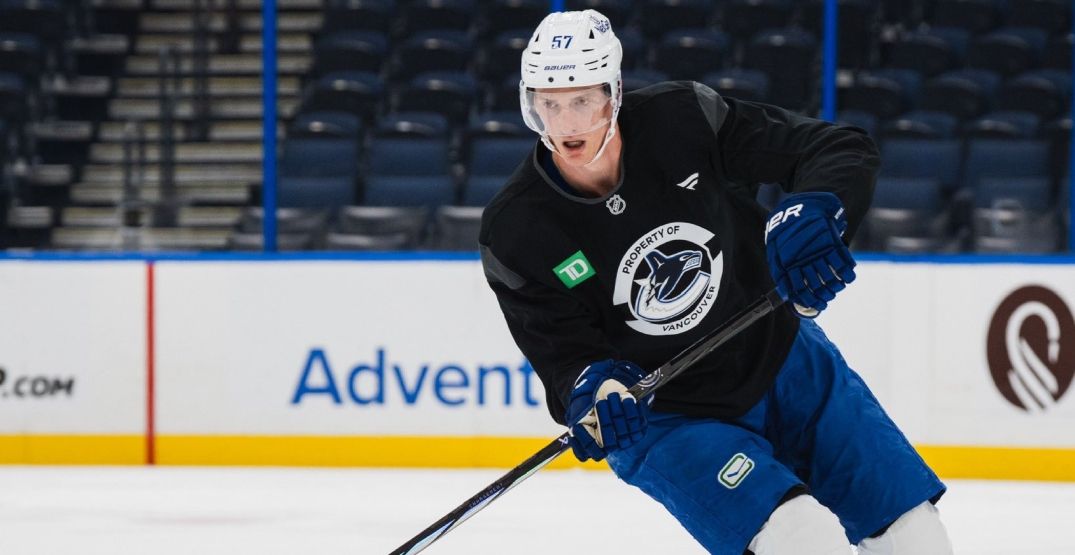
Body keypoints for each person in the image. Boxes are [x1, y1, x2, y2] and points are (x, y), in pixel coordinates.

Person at [478, 9, 952, 555]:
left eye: (581, 100)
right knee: (804, 542)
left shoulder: (684, 119)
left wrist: (817, 211)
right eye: (549, 103)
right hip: (671, 416)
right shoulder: (515, 229)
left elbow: (834, 149)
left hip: (784, 359)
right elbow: (563, 355)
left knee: (917, 540)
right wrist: (597, 391)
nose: (564, 124)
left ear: (613, 93)